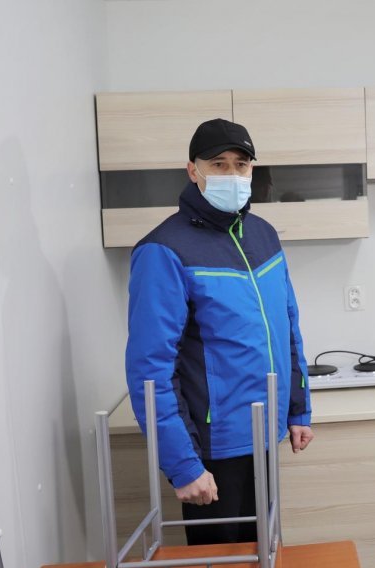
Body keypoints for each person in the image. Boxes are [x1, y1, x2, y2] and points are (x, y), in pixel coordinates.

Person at [125, 118, 314, 545]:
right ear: (193, 171)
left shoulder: (263, 235)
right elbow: (150, 370)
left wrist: (297, 410)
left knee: (265, 562)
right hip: (212, 449)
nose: (232, 174)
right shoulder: (162, 251)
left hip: (265, 437)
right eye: (219, 164)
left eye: (241, 165)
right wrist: (183, 465)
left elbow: (286, 328)